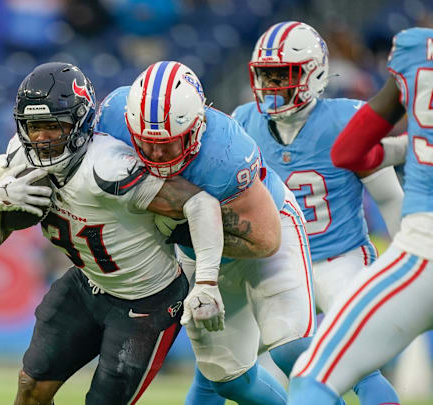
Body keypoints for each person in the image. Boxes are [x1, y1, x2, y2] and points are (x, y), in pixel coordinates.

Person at [0, 61, 263, 405]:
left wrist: (207, 282)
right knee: (30, 389)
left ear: (79, 123)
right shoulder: (20, 161)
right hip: (86, 284)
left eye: (54, 126)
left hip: (147, 302)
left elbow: (199, 204)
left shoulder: (109, 167)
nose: (43, 138)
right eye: (34, 127)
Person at [187, 21, 402, 405]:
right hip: (273, 260)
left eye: (281, 75)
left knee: (359, 367)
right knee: (215, 372)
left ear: (314, 74)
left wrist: (405, 259)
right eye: (265, 76)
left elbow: (389, 197)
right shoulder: (243, 121)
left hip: (337, 258)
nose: (271, 86)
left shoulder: (348, 119)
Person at [95, 60, 315, 405]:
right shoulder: (110, 119)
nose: (154, 153)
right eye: (146, 142)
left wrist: (190, 235)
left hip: (267, 233)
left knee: (293, 348)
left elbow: (265, 240)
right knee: (229, 379)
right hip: (197, 250)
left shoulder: (225, 152)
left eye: (167, 144)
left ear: (196, 127)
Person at [288, 26, 433, 405]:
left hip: (421, 250)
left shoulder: (420, 51)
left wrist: (407, 148)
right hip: (304, 266)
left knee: (313, 378)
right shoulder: (246, 119)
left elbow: (347, 153)